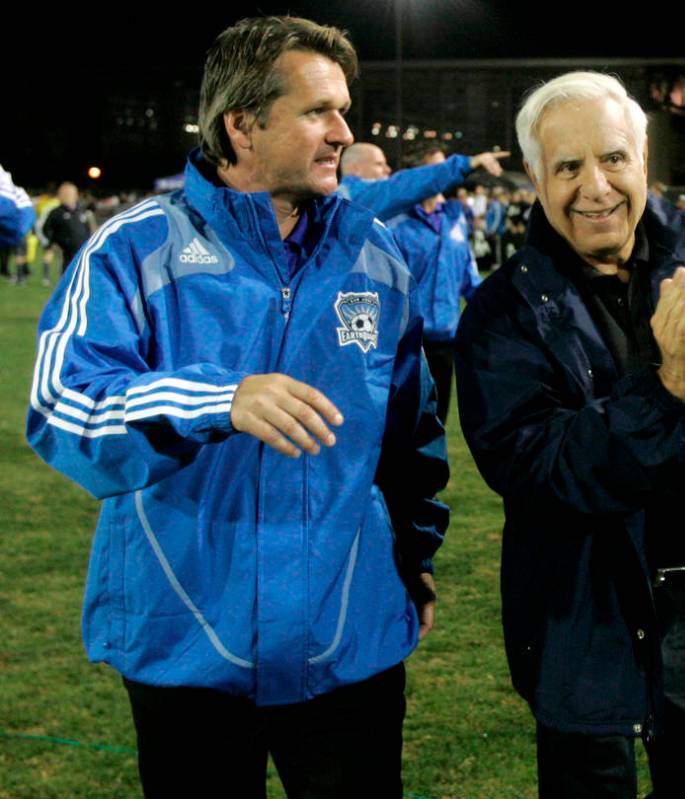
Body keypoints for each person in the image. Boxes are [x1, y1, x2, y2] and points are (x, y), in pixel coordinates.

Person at [25, 17, 449, 797]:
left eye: (343, 110)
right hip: (188, 648)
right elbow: (61, 407)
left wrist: (414, 557)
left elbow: (409, 435)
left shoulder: (376, 257)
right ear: (242, 125)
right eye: (318, 111)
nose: (342, 132)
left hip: (345, 644)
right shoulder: (132, 248)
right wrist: (216, 400)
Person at [453, 71, 685, 798]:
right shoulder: (501, 314)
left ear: (643, 156)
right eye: (568, 166)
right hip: (580, 617)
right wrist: (663, 391)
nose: (595, 185)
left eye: (613, 158)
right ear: (535, 174)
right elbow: (541, 469)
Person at [389, 145, 482, 424]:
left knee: (437, 423)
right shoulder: (397, 222)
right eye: (437, 168)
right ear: (420, 174)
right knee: (402, 426)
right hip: (405, 343)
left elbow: (468, 277)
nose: (445, 175)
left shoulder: (455, 220)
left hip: (445, 340)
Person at [337, 139, 508, 220]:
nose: (387, 169)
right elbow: (400, 187)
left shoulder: (447, 216)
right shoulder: (348, 199)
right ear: (355, 168)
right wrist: (466, 164)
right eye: (379, 164)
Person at [39, 182, 96, 280]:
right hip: (64, 252)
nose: (67, 197)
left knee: (82, 277)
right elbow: (46, 229)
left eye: (70, 194)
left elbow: (89, 229)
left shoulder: (83, 211)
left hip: (81, 251)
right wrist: (54, 242)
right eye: (64, 194)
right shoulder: (56, 213)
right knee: (65, 278)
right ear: (59, 196)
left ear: (76, 195)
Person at [0, 164, 35, 279]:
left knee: (19, 252)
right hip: (17, 224)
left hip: (18, 221)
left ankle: (21, 274)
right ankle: (19, 274)